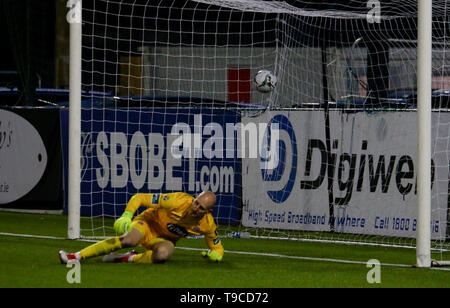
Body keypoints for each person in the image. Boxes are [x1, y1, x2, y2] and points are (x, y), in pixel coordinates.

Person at [59, 191, 224, 264]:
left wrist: (216, 255)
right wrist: (127, 215)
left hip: (163, 239)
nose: (196, 208)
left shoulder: (207, 224)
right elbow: (140, 198)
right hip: (147, 223)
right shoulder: (177, 200)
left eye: (201, 208)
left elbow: (217, 247)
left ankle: (126, 258)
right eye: (196, 203)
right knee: (130, 240)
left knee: (164, 255)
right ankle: (75, 256)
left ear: (208, 211)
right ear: (194, 198)